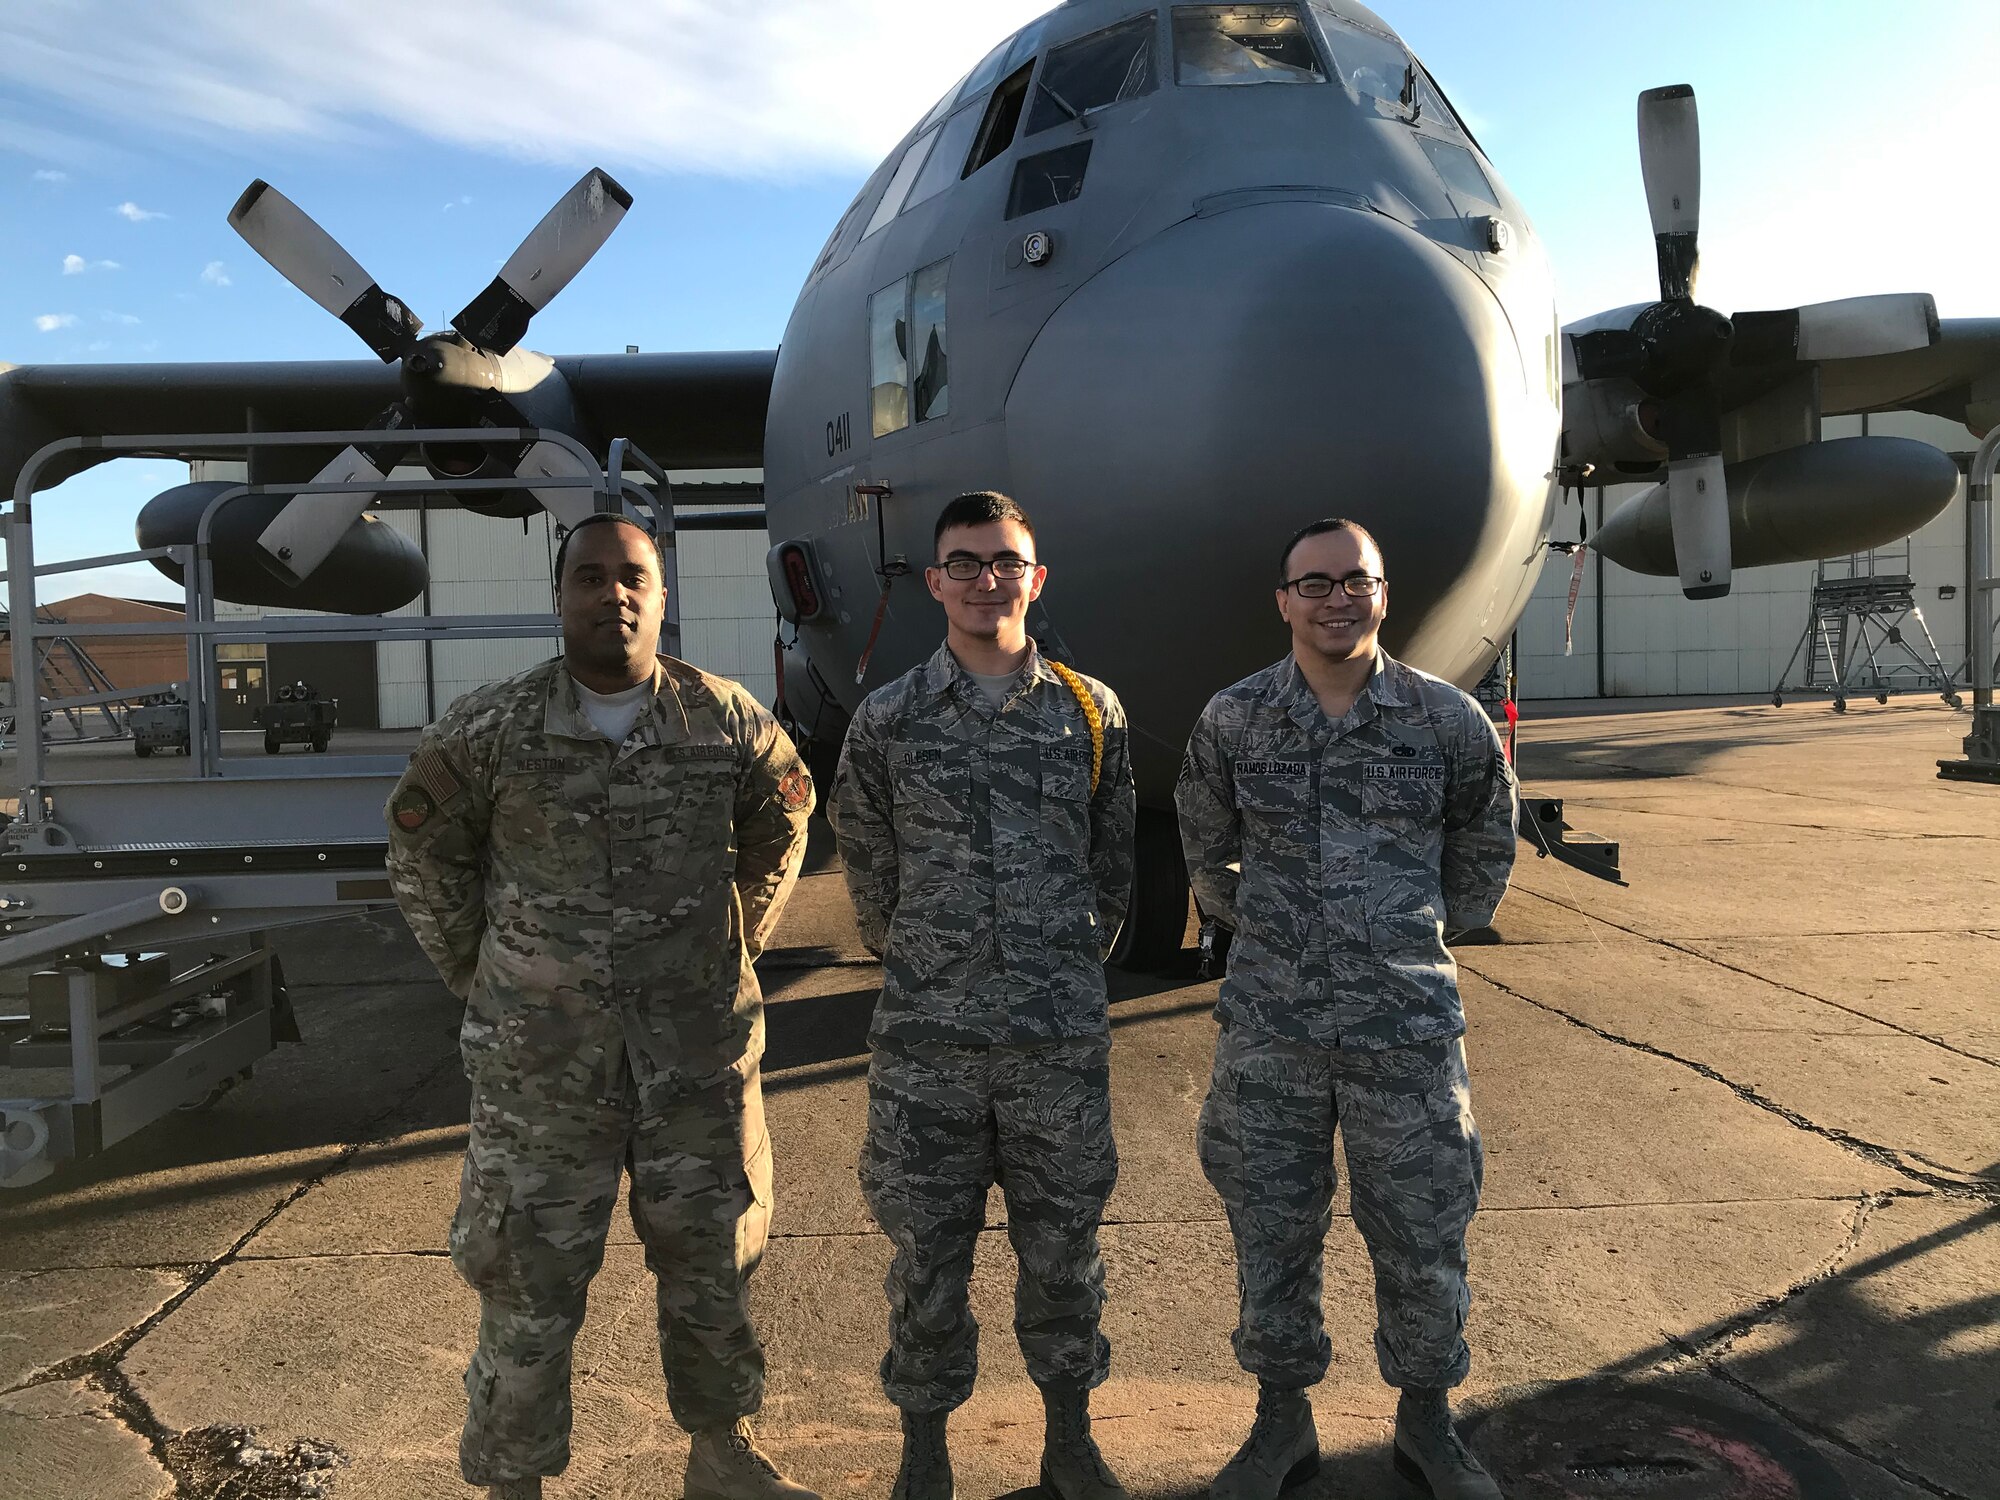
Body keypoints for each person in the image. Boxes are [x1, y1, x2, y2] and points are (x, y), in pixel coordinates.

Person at [385, 511, 818, 1500]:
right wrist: (492, 974)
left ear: (662, 597)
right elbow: (420, 852)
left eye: (633, 577)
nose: (612, 594)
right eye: (590, 576)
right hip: (541, 1067)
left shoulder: (724, 718)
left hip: (696, 1055)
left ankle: (721, 1455)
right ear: (560, 596)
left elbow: (784, 820)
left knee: (714, 1261)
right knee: (526, 1276)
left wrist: (727, 947)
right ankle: (512, 1479)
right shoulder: (490, 728)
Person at [1174, 518, 1517, 1500]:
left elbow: (1483, 841)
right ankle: (1278, 1424)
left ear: (1381, 591)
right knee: (1268, 1227)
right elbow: (1205, 841)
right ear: (1283, 600)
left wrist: (1406, 935)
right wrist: (1269, 935)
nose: (1335, 599)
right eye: (1312, 583)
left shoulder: (1443, 720)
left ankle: (1427, 1423)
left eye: (1352, 581)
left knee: (1423, 1227)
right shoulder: (1234, 721)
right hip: (1269, 1031)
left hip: (1403, 1033)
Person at [830, 491, 1137, 1500]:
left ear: (1033, 579)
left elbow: (1112, 857)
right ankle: (924, 1450)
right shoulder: (886, 719)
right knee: (925, 1259)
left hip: (1055, 1043)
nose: (983, 580)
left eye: (1003, 562)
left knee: (1065, 1256)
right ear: (934, 583)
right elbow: (865, 857)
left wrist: (1065, 959)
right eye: (962, 563)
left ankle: (1069, 1441)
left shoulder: (1089, 710)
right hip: (930, 1045)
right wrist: (919, 955)